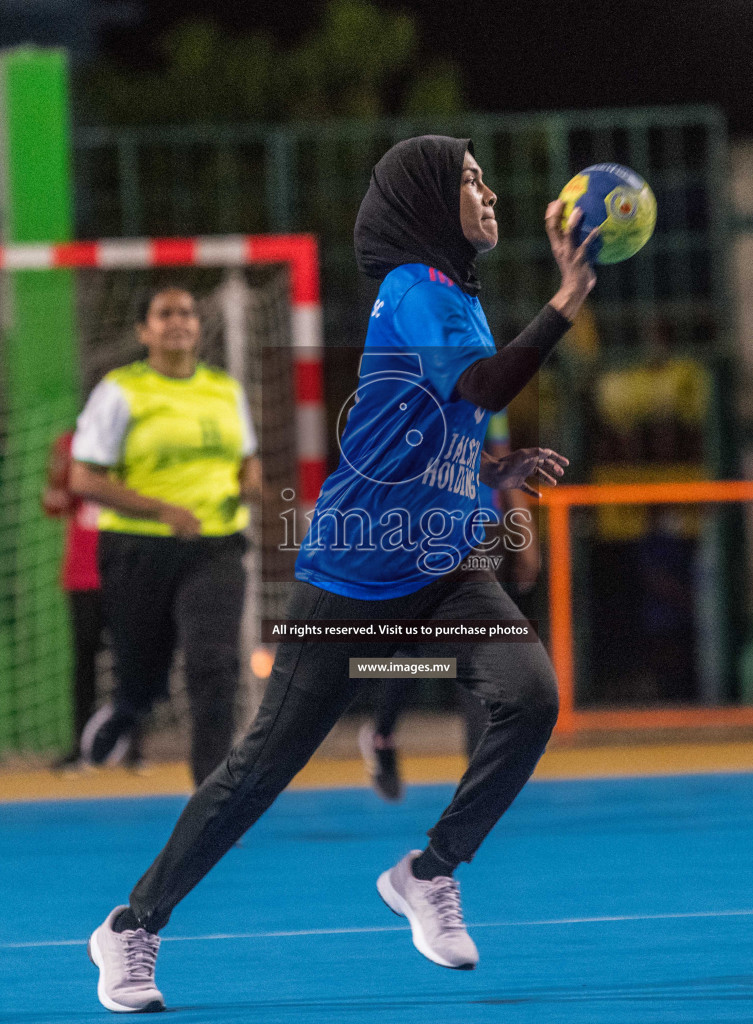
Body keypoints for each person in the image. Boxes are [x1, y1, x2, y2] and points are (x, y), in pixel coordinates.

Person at [87, 135, 597, 1013]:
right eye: (471, 180)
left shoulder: (457, 303)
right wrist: (565, 300)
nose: (490, 193)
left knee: (531, 695)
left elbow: (442, 424)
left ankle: (428, 871)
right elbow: (485, 386)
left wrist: (490, 475)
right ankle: (132, 928)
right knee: (255, 775)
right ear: (431, 201)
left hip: (443, 570)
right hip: (352, 581)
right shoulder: (413, 291)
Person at [68, 286, 262, 788]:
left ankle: (212, 797)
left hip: (216, 545)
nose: (178, 321)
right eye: (165, 313)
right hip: (138, 549)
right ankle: (128, 706)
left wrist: (252, 485)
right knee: (143, 675)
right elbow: (83, 479)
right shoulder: (120, 390)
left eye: (188, 312)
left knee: (213, 667)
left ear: (199, 326)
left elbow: (248, 460)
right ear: (143, 330)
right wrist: (160, 509)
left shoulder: (224, 389)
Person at [357, 411, 538, 801]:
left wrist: (526, 534)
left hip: (479, 531)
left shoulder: (493, 400)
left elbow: (505, 462)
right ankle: (382, 736)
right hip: (418, 530)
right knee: (414, 653)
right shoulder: (409, 395)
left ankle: (479, 775)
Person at [41, 431, 110, 773]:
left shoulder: (135, 436)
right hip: (82, 573)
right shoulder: (68, 444)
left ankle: (133, 747)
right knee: (85, 659)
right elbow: (53, 504)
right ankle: (82, 746)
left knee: (134, 658)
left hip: (127, 567)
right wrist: (59, 479)